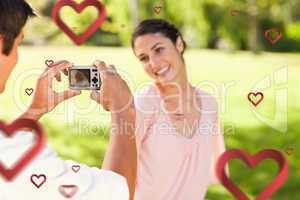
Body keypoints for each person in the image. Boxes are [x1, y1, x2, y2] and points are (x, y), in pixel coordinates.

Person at [0, 0, 136, 199]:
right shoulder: (18, 156)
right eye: (19, 43)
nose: (17, 57)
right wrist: (123, 109)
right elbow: (120, 190)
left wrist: (35, 110)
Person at [130, 19, 226, 199]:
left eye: (158, 50)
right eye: (144, 58)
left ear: (179, 44)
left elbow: (216, 171)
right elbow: (122, 171)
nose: (154, 63)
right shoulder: (146, 102)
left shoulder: (208, 104)